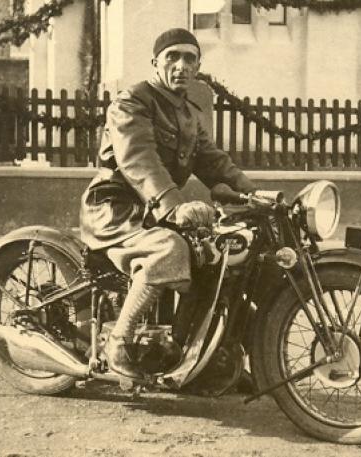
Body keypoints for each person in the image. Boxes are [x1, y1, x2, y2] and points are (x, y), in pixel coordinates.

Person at [79, 28, 256, 379]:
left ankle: (205, 354)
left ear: (198, 65)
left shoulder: (187, 112)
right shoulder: (132, 101)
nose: (181, 65)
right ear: (155, 63)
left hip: (155, 208)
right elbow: (139, 158)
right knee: (169, 248)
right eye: (172, 56)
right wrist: (173, 205)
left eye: (190, 58)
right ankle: (120, 340)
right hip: (117, 208)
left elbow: (212, 160)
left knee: (218, 257)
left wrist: (255, 194)